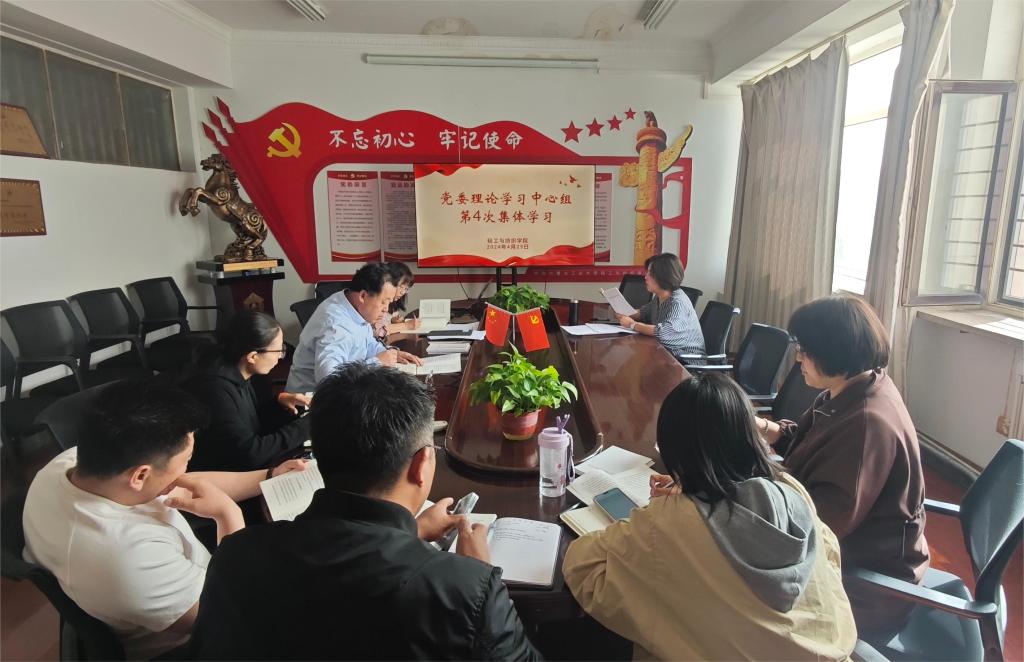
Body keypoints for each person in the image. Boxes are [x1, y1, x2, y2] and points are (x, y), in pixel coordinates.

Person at [190, 364, 540, 660]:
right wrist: (478, 573)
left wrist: (411, 533)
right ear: (422, 464)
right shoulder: (465, 588)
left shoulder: (235, 556)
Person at [563, 372, 856, 660]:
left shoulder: (669, 522)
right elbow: (829, 552)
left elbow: (581, 565)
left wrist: (675, 509)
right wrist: (699, 492)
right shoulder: (792, 491)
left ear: (677, 452)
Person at [21, 379, 306, 660]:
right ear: (140, 475)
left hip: (194, 582)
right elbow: (227, 613)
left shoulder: (69, 466)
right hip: (195, 639)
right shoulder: (125, 557)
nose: (187, 468)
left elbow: (187, 484)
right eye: (186, 460)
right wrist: (228, 516)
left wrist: (268, 476)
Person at [756, 294, 928, 634]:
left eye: (805, 350)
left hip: (864, 583)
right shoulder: (852, 388)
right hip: (853, 550)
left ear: (833, 352)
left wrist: (745, 490)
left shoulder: (867, 423)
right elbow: (805, 440)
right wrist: (759, 427)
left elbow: (817, 527)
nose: (798, 357)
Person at [182, 310, 310, 472]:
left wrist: (281, 405)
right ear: (252, 356)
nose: (280, 356)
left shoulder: (240, 370)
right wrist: (307, 426)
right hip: (220, 474)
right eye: (278, 350)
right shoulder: (213, 390)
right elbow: (249, 455)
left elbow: (254, 423)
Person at [285, 262, 421, 393]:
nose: (386, 309)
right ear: (363, 296)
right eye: (383, 302)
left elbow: (368, 344)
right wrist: (377, 362)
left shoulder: (352, 304)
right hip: (311, 401)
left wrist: (391, 354)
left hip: (347, 392)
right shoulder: (335, 325)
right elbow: (330, 380)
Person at [616, 252, 704, 356]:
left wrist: (632, 324)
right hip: (664, 353)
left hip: (684, 360)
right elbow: (644, 313)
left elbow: (664, 333)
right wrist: (624, 313)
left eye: (650, 273)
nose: (645, 277)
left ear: (664, 276)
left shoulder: (678, 303)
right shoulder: (660, 296)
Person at [378, 261, 422, 336]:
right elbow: (378, 331)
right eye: (401, 287)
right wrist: (406, 325)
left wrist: (393, 321)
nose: (403, 292)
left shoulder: (393, 303)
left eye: (406, 289)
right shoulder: (377, 301)